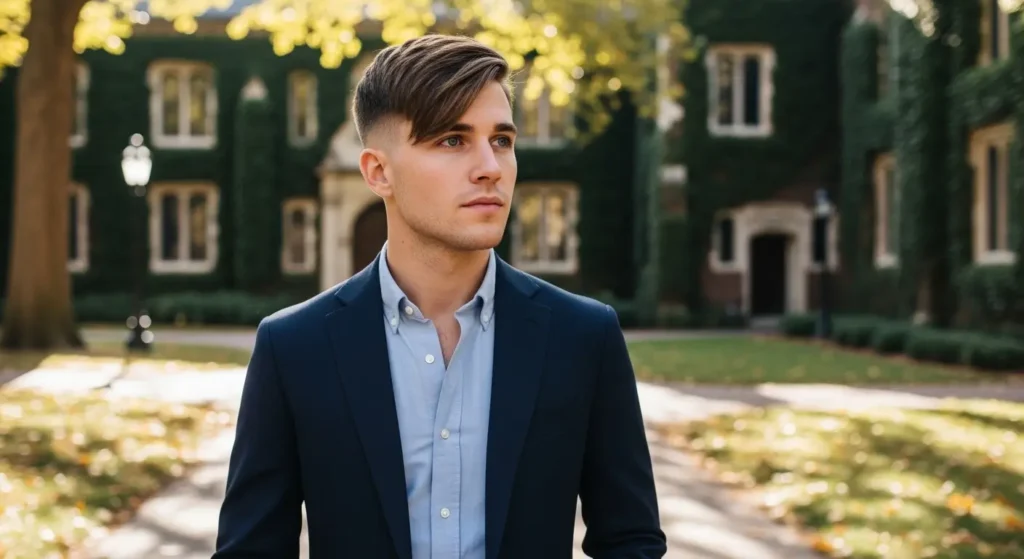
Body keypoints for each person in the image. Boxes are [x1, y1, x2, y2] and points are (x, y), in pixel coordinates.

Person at [212, 33, 665, 559]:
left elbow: (630, 541)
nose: (490, 167)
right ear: (378, 172)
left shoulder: (584, 337)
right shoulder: (293, 347)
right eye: (452, 139)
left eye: (501, 140)